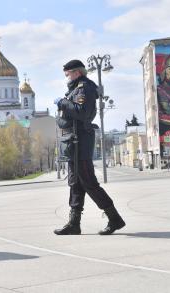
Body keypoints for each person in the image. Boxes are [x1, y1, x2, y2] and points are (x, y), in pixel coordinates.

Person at [53, 59, 125, 235]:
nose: (67, 77)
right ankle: (74, 223)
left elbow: (81, 112)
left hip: (80, 141)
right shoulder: (76, 89)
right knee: (75, 183)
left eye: (68, 74)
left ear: (77, 73)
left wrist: (62, 103)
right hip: (73, 142)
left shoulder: (84, 88)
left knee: (89, 183)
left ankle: (114, 218)